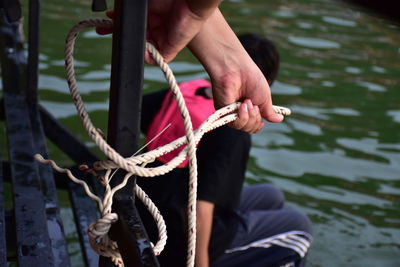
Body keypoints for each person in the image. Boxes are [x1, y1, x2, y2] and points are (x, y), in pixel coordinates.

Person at [136, 33, 312, 267]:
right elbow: (200, 207)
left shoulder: (185, 93)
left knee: (272, 195)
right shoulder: (232, 125)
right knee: (299, 227)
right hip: (176, 235)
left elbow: (135, 116)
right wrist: (199, 264)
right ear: (265, 84)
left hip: (147, 207)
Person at [96, 2, 284, 135]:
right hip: (166, 186)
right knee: (270, 193)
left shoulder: (186, 91)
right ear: (268, 81)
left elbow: (141, 110)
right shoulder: (225, 126)